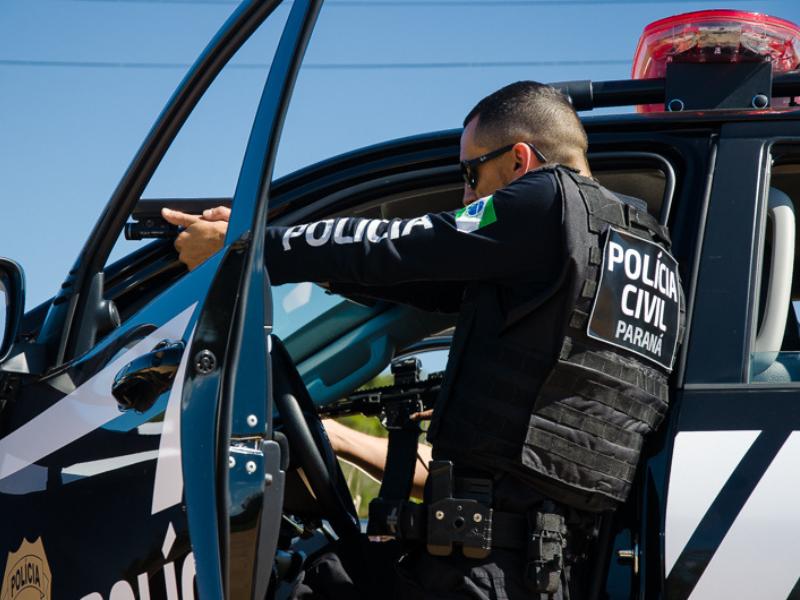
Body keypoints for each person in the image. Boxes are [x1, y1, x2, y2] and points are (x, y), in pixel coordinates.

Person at [163, 81, 683, 599]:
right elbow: (428, 283)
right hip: (556, 564)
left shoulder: (546, 201)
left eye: (470, 172)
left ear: (520, 160)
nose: (466, 195)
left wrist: (247, 249)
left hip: (486, 564)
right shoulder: (648, 253)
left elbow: (402, 246)